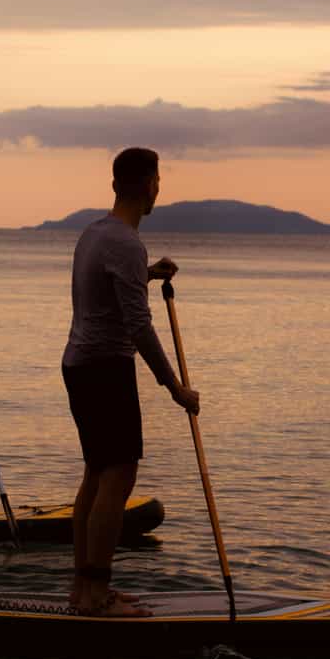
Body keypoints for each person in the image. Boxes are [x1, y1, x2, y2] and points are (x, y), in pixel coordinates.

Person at [62, 147, 201, 616]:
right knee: (117, 479)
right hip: (105, 367)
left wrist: (146, 274)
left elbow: (111, 285)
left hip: (80, 364)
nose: (160, 186)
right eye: (159, 179)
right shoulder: (124, 241)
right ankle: (96, 595)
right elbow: (138, 325)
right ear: (148, 184)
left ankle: (84, 589)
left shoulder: (95, 234)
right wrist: (176, 387)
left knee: (96, 476)